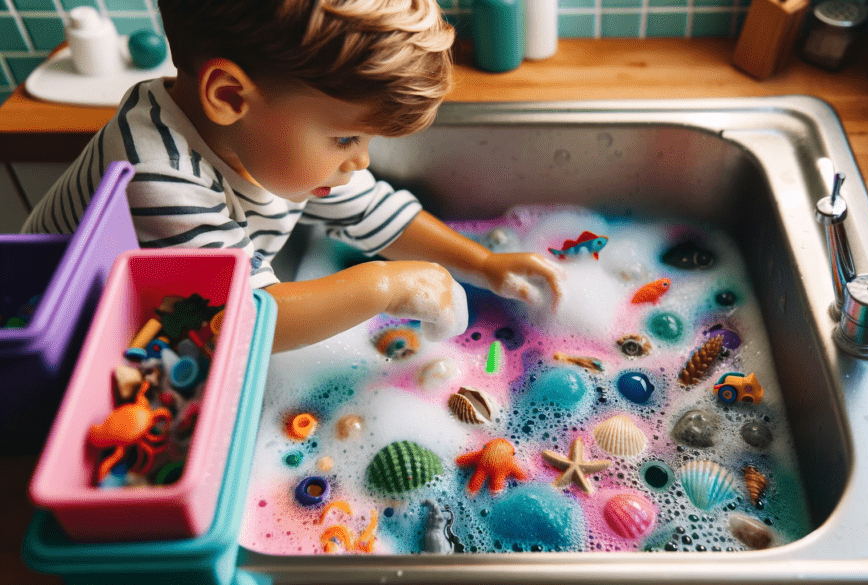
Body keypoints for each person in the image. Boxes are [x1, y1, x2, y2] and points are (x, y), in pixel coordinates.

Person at [22, 0, 562, 352]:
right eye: (346, 139)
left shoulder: (255, 138)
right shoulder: (155, 175)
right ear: (229, 96)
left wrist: (482, 262)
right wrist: (382, 284)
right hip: (66, 341)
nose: (361, 161)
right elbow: (239, 323)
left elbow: (370, 209)